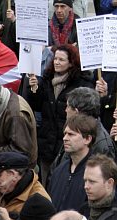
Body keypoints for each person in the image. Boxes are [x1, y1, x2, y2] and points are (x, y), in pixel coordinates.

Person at [26, 45, 92, 184]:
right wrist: (33, 89)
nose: (56, 62)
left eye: (61, 59)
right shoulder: (46, 80)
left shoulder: (81, 83)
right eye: (55, 58)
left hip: (67, 144)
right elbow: (37, 106)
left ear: (71, 62)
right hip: (47, 144)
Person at [48, 114, 96, 212]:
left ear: (87, 139)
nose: (65, 138)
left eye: (71, 134)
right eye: (65, 133)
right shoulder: (58, 170)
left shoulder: (96, 174)